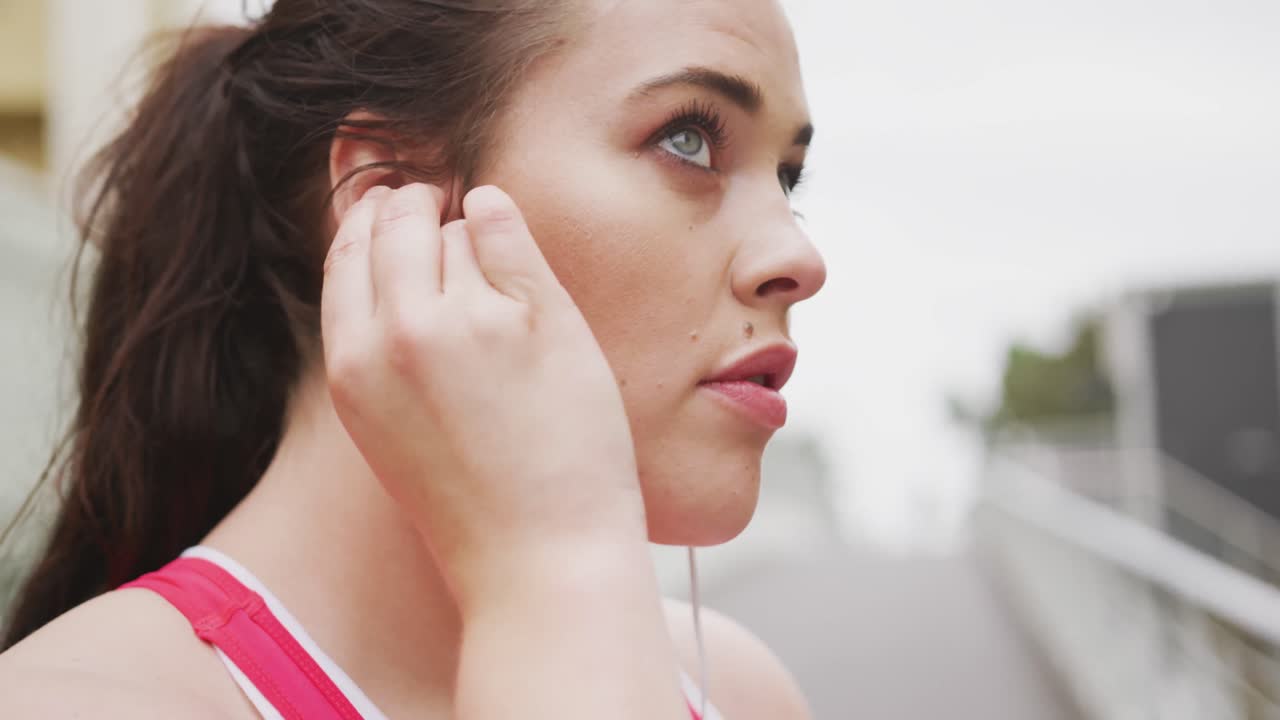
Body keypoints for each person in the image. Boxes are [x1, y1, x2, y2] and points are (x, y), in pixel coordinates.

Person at [0, 0, 826, 717]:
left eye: (787, 177)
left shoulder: (739, 691)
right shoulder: (79, 704)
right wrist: (549, 560)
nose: (799, 257)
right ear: (391, 199)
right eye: (688, 139)